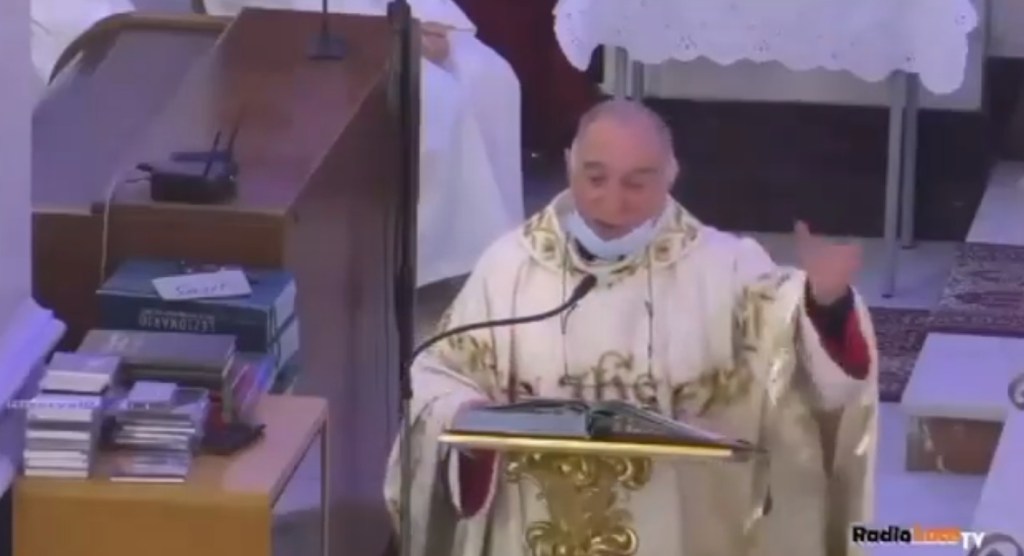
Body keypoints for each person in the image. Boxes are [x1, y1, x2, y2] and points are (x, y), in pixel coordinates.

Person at [383, 99, 878, 556]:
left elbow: (793, 352)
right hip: (531, 527)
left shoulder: (727, 269)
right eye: (595, 178)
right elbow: (438, 373)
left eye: (636, 183)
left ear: (671, 176)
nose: (612, 202)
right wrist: (466, 416)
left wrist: (826, 306)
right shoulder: (510, 267)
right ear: (569, 164)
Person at [203, 0, 524, 285]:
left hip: (375, 13)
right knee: (435, 97)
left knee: (491, 77)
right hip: (305, 32)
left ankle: (497, 253)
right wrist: (392, 33)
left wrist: (422, 18)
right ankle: (422, 263)